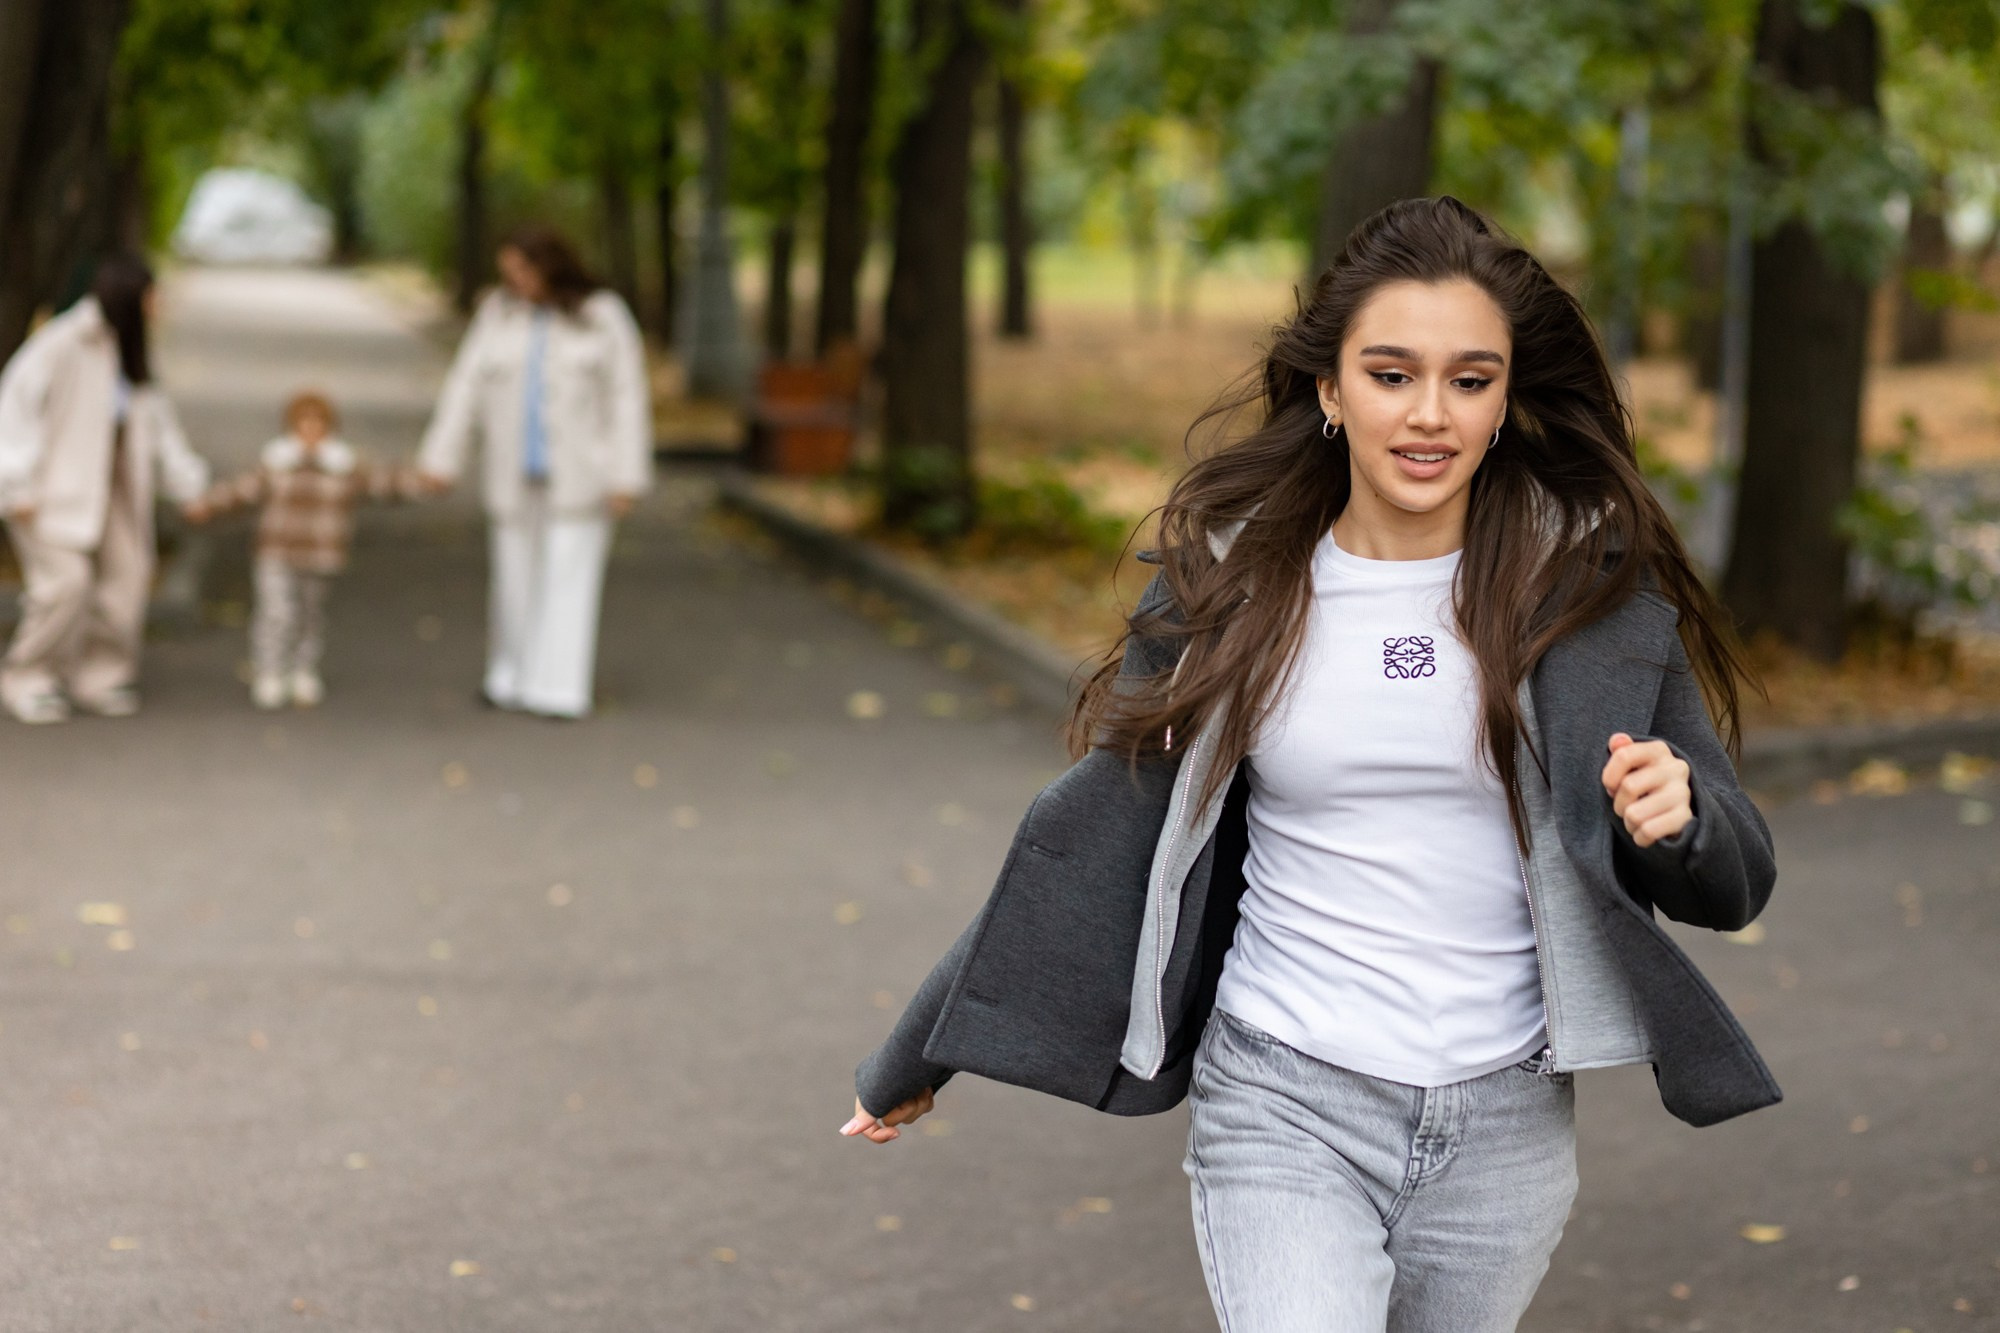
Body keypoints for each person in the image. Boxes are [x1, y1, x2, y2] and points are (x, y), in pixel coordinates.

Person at [841, 198, 1780, 1333]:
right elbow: (1094, 827)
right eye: (1391, 374)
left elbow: (1736, 882)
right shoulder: (1231, 582)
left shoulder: (1582, 585)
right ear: (1331, 390)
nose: (1428, 413)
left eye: (1469, 379)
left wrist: (1680, 822)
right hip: (1281, 1097)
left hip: (1506, 1123)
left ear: (1504, 399)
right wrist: (921, 1049)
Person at [415, 226, 651, 720]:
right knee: (514, 577)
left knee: (569, 575)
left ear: (551, 265)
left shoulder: (602, 315)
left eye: (524, 270)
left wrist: (625, 476)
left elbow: (626, 397)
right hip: (513, 471)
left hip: (582, 474)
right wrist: (441, 458)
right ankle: (510, 675)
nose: (516, 281)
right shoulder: (497, 314)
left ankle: (559, 686)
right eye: (509, 273)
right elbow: (466, 386)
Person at [0, 255, 210, 724]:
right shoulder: (62, 343)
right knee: (64, 585)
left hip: (113, 489)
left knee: (127, 577)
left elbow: (158, 426)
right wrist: (15, 485)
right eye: (153, 295)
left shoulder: (131, 349)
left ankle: (101, 675)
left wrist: (187, 486)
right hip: (47, 492)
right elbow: (14, 411)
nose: (159, 305)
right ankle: (28, 676)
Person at [192, 390, 426, 710]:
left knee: (309, 615)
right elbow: (240, 491)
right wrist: (206, 504)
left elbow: (383, 484)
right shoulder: (276, 463)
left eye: (318, 423)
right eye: (304, 422)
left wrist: (422, 482)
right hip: (276, 551)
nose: (311, 430)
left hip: (319, 555)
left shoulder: (343, 466)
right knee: (276, 613)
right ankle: (270, 670)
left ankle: (303, 669)